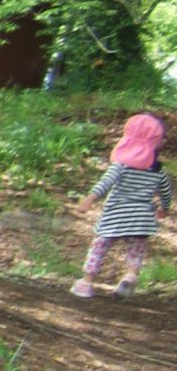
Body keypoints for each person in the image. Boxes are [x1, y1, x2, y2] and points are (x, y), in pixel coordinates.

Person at [71, 112, 171, 298]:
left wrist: (90, 199)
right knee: (136, 249)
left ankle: (87, 282)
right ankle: (130, 276)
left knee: (99, 246)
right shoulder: (158, 171)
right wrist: (164, 209)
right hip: (142, 219)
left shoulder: (121, 165)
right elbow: (166, 192)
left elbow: (106, 183)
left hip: (115, 215)